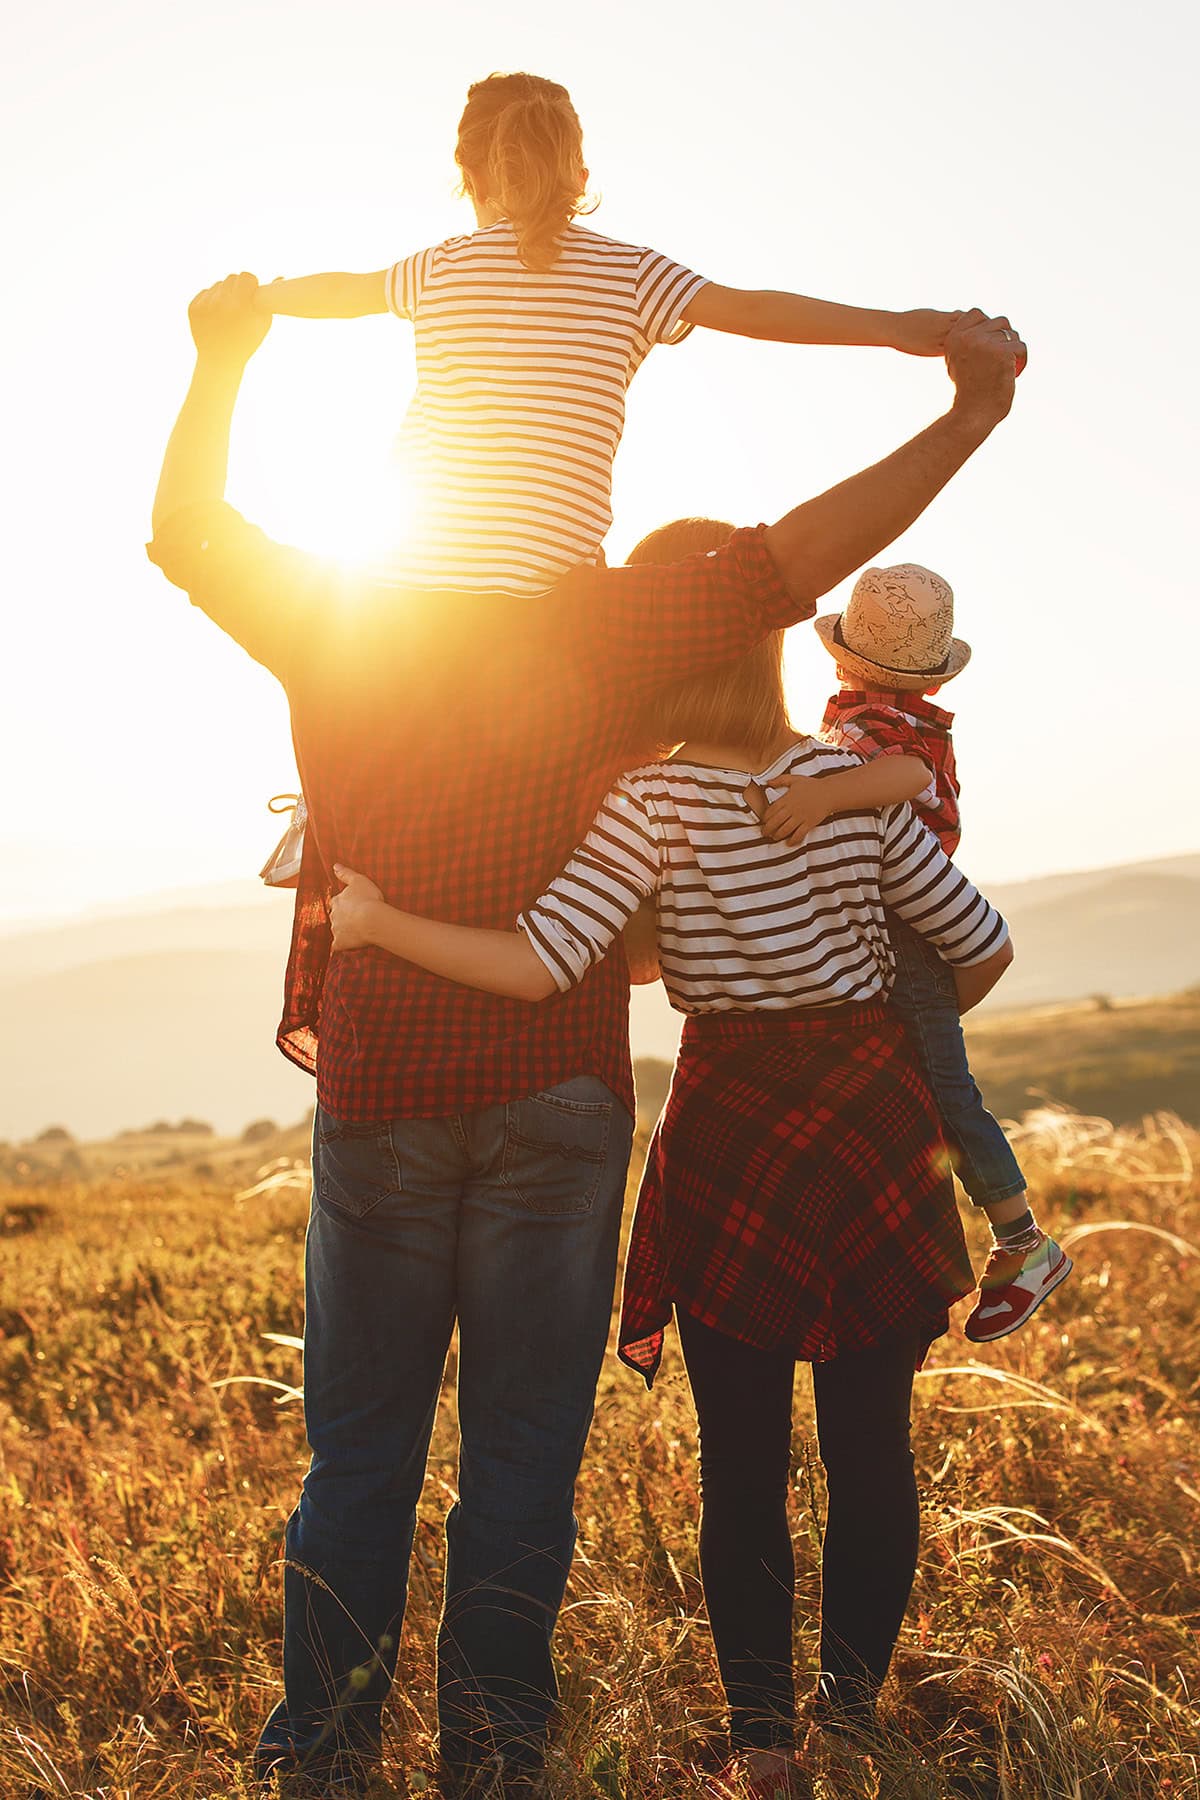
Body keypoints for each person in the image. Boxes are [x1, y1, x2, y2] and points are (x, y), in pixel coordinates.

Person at [146, 269, 1023, 1796]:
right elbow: (801, 559)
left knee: (359, 1453)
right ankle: (499, 1758)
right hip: (561, 1088)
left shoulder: (334, 613)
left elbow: (186, 531)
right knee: (523, 1459)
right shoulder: (617, 626)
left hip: (386, 1081)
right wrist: (967, 410)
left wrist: (222, 357)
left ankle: (327, 1759)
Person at [327, 549, 1015, 1793]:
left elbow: (542, 963)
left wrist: (374, 922)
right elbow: (982, 942)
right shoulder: (850, 780)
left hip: (732, 1129)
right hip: (871, 1124)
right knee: (872, 1449)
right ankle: (851, 1721)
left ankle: (764, 1746)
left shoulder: (650, 800)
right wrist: (874, 1036)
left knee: (741, 1460)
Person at [259, 69, 967, 597]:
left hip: (407, 579)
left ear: (470, 176)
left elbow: (342, 291)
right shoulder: (632, 273)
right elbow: (754, 311)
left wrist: (258, 298)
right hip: (549, 591)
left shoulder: (440, 266)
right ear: (580, 175)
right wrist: (897, 328)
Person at [756, 564, 1072, 1341]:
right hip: (894, 925)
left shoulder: (883, 726)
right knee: (911, 1085)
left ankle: (1023, 1240)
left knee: (943, 1089)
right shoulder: (878, 715)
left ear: (843, 656)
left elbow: (905, 776)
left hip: (907, 927)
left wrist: (823, 796)